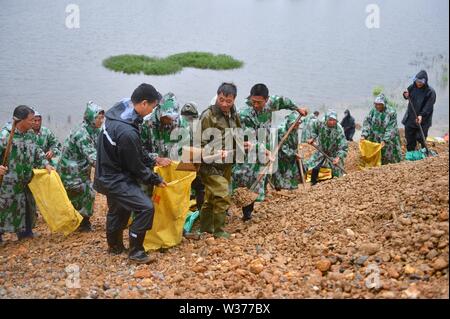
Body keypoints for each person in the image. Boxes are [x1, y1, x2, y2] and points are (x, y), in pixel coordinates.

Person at [94, 83, 167, 264]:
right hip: (115, 178)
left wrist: (153, 160)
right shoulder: (127, 132)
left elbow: (135, 151)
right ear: (143, 103)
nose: (153, 110)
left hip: (105, 170)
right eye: (152, 106)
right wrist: (156, 179)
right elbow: (136, 166)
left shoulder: (120, 108)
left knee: (119, 209)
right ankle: (136, 251)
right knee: (145, 208)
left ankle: (115, 246)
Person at [232, 83, 307, 221]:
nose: (255, 105)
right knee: (242, 176)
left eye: (259, 102)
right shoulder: (244, 114)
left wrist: (297, 109)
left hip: (263, 148)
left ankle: (247, 213)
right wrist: (265, 151)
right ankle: (228, 207)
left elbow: (283, 101)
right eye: (253, 101)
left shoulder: (271, 103)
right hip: (248, 148)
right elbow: (249, 138)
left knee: (259, 178)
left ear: (266, 100)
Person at [197, 83, 244, 238]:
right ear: (217, 96)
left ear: (234, 100)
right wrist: (217, 153)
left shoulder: (234, 115)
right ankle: (219, 231)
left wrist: (244, 144)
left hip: (227, 163)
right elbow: (199, 145)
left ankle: (205, 228)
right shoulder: (208, 116)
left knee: (211, 197)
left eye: (228, 101)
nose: (224, 104)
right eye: (221, 99)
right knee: (223, 194)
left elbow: (237, 133)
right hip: (209, 164)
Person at [0, 105, 53, 241]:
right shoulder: (6, 136)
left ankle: (25, 233)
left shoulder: (30, 134)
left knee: (27, 205)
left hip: (26, 180)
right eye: (30, 120)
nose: (34, 122)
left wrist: (46, 164)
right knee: (4, 208)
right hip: (8, 183)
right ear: (21, 121)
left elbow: (37, 152)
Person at [57, 101, 104, 232]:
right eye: (98, 117)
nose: (101, 120)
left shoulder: (95, 130)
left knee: (83, 193)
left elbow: (103, 147)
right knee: (85, 192)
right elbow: (93, 156)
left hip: (82, 168)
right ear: (90, 117)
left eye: (102, 117)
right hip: (70, 170)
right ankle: (82, 222)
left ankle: (80, 221)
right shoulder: (81, 133)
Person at [141, 92, 188, 167]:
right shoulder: (146, 123)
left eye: (174, 116)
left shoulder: (181, 122)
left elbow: (186, 147)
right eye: (168, 117)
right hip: (153, 166)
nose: (172, 120)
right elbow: (139, 150)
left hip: (173, 166)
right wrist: (156, 159)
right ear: (160, 113)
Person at [306, 111, 348, 185]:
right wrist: (312, 138)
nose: (332, 122)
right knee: (314, 167)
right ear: (326, 119)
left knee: (336, 173)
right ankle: (313, 182)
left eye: (334, 120)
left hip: (334, 153)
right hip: (322, 150)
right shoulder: (321, 123)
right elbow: (314, 129)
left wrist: (338, 157)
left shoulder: (339, 130)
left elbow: (343, 147)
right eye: (330, 120)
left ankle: (331, 185)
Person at [361, 94, 402, 164]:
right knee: (376, 155)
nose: (378, 106)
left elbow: (391, 128)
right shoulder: (373, 111)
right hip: (375, 137)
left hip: (388, 137)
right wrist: (364, 134)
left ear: (384, 104)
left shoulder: (391, 112)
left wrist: (385, 140)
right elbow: (367, 122)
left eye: (380, 104)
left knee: (389, 157)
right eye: (376, 104)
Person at [402, 70, 436, 151]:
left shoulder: (430, 92)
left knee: (421, 138)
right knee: (409, 138)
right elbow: (407, 96)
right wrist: (405, 95)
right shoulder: (412, 87)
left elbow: (428, 107)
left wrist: (421, 115)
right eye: (417, 81)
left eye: (421, 82)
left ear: (425, 81)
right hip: (411, 117)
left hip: (424, 119)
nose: (419, 83)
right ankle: (411, 154)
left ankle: (424, 152)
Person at [272, 112, 302, 190]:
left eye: (298, 124)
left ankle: (291, 189)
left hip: (291, 156)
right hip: (281, 156)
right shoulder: (281, 130)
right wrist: (294, 154)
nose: (297, 126)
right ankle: (279, 189)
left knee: (292, 174)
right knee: (281, 173)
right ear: (289, 122)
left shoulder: (294, 129)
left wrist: (295, 152)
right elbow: (283, 148)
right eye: (295, 124)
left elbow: (295, 142)